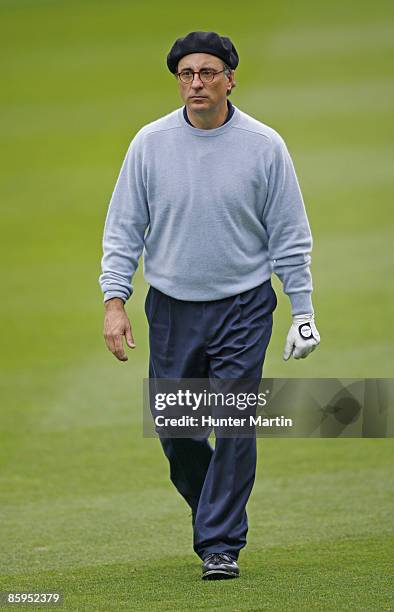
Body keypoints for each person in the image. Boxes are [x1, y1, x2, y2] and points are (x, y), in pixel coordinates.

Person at [99, 31, 320, 580]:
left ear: (230, 78)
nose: (196, 83)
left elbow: (290, 234)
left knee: (236, 422)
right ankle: (213, 516)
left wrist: (304, 309)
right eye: (186, 75)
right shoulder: (149, 144)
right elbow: (124, 228)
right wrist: (114, 300)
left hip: (244, 307)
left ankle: (220, 544)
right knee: (177, 431)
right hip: (172, 308)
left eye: (207, 73)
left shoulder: (264, 146)